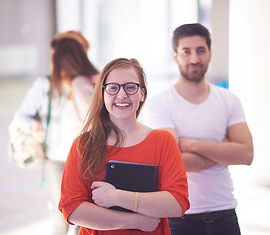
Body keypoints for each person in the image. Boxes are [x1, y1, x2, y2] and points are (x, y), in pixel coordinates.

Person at [144, 23, 254, 235]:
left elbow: (246, 154)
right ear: (175, 56)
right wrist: (226, 151)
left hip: (225, 209)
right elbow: (175, 162)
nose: (194, 59)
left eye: (201, 51)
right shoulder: (160, 103)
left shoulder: (228, 100)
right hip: (180, 213)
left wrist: (191, 144)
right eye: (186, 52)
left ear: (210, 54)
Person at [58, 58, 190, 235]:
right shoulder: (84, 144)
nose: (121, 95)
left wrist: (117, 196)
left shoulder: (163, 141)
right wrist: (136, 221)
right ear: (102, 94)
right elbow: (72, 209)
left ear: (142, 93)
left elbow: (177, 203)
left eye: (130, 87)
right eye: (113, 87)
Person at [10, 33, 99, 235]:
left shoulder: (92, 82)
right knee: (61, 216)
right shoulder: (46, 85)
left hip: (86, 159)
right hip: (56, 160)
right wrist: (34, 126)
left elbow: (98, 120)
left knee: (82, 217)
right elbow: (21, 116)